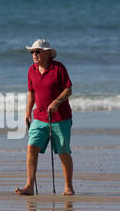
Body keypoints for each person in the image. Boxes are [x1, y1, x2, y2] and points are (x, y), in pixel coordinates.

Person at [15, 39, 75, 196]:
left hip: (61, 118)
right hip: (39, 117)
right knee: (31, 148)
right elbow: (31, 93)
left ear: (47, 53)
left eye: (37, 51)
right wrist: (27, 112)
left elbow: (68, 89)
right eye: (32, 52)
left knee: (63, 151)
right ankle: (29, 186)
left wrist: (56, 102)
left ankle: (68, 187)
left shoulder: (58, 68)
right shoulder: (31, 70)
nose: (34, 55)